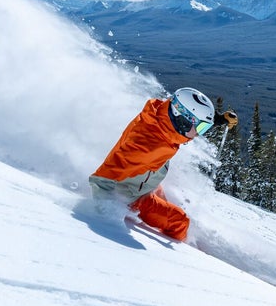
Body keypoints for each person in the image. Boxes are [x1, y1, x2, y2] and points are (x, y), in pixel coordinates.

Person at [88, 87, 237, 241]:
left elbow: (187, 117)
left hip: (143, 180)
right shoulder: (144, 146)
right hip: (132, 196)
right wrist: (108, 216)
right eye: (200, 128)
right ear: (183, 121)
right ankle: (184, 249)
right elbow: (101, 179)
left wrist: (217, 120)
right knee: (180, 221)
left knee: (163, 195)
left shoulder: (161, 118)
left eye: (203, 128)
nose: (199, 134)